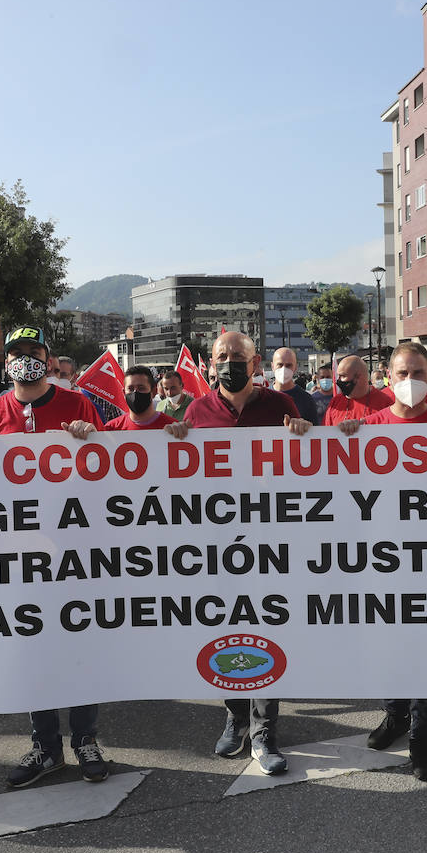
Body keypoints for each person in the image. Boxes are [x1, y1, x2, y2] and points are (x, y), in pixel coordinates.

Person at [0, 325, 109, 787]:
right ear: (6, 363)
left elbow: (109, 469)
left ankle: (85, 739)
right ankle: (46, 746)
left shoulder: (76, 403)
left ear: (48, 357)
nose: (26, 359)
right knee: (32, 646)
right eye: (17, 353)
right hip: (19, 555)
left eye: (34, 351)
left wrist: (90, 436)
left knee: (80, 642)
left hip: (74, 549)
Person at [165, 331, 312, 776]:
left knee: (266, 626)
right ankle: (234, 715)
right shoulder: (197, 410)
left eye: (237, 356)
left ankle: (264, 728)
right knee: (227, 625)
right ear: (210, 364)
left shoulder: (279, 406)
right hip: (218, 542)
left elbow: (302, 469)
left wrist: (303, 436)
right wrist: (174, 439)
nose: (229, 363)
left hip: (269, 540)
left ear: (255, 362)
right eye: (221, 357)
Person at [336, 342, 427, 781]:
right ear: (387, 377)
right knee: (388, 643)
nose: (409, 382)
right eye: (401, 374)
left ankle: (422, 736)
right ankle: (395, 715)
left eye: (417, 373)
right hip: (380, 561)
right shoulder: (367, 427)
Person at [323, 355, 392, 425]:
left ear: (358, 377)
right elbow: (325, 432)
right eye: (338, 376)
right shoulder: (335, 402)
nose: (338, 380)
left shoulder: (385, 403)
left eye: (343, 376)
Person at [105, 366, 177, 430]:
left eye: (141, 388)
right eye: (130, 389)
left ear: (154, 392)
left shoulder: (173, 428)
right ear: (124, 393)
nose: (135, 393)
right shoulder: (111, 429)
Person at [269, 348, 319, 424]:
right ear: (272, 366)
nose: (284, 369)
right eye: (280, 365)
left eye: (288, 365)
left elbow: (315, 432)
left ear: (295, 367)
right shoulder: (262, 397)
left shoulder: (306, 400)